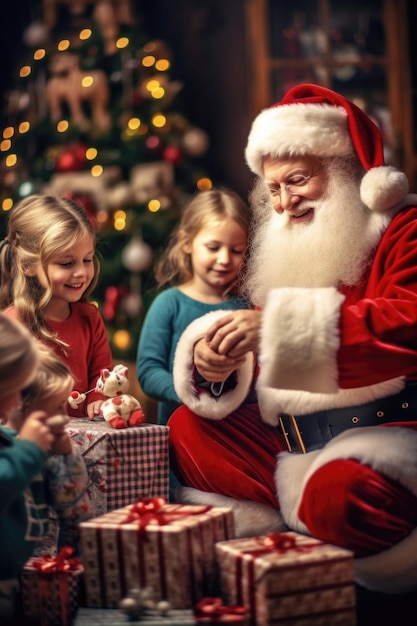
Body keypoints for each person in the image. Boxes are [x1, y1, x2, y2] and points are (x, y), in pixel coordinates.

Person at [169, 84, 417, 612]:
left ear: (348, 170)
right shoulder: (292, 246)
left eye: (299, 180)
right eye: (273, 189)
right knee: (186, 430)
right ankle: (300, 522)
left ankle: (312, 521)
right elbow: (264, 353)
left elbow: (407, 323)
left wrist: (278, 330)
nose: (285, 202)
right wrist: (218, 363)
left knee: (344, 496)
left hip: (386, 434)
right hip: (293, 442)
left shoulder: (404, 230)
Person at [0, 315, 90, 624]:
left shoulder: (44, 450)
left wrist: (66, 457)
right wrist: (28, 450)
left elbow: (75, 510)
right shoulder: (16, 449)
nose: (64, 417)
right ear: (17, 404)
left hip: (32, 575)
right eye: (55, 408)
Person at [137, 187, 252, 426]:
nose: (224, 259)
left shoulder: (247, 309)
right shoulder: (169, 303)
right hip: (179, 440)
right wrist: (191, 395)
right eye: (213, 247)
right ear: (187, 242)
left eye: (236, 250)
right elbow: (148, 371)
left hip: (234, 436)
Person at [0, 194, 113, 418]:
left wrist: (99, 400)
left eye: (87, 259)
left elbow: (103, 375)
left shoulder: (90, 317)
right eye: (66, 263)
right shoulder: (11, 326)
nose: (81, 271)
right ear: (27, 265)